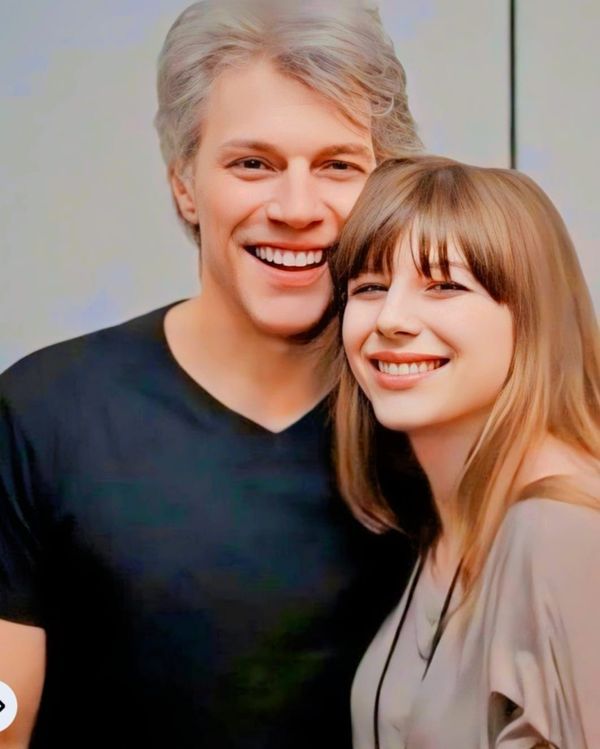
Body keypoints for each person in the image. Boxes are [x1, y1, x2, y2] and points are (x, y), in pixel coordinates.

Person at [0, 2, 424, 747]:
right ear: (184, 184)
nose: (297, 208)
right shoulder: (43, 412)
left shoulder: (435, 428)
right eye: (251, 163)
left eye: (337, 166)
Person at [330, 154, 600, 748]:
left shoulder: (559, 532)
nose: (392, 319)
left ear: (531, 318)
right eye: (370, 287)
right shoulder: (446, 522)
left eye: (445, 285)